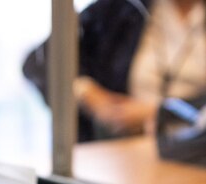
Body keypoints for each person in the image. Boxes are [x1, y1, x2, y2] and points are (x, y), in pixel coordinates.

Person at [22, 0, 206, 141]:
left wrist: (159, 112)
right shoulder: (124, 7)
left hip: (194, 152)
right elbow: (41, 60)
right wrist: (90, 95)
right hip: (120, 153)